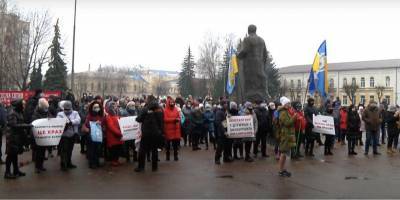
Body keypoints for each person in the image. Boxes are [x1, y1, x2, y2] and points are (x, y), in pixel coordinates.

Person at [135, 95, 164, 172]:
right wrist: (161, 131)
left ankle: (141, 167)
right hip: (156, 132)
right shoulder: (160, 109)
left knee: (142, 150)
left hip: (146, 132)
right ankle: (154, 167)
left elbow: (139, 119)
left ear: (148, 100)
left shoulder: (145, 108)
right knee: (154, 150)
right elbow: (161, 121)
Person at [5, 99, 32, 179]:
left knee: (15, 155)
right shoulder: (12, 113)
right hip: (12, 137)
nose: (24, 106)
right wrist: (26, 125)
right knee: (10, 155)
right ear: (19, 105)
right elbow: (14, 125)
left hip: (17, 137)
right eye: (23, 104)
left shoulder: (19, 112)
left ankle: (16, 171)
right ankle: (7, 173)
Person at [57, 101, 81, 171]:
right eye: (65, 109)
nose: (67, 110)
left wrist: (71, 122)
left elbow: (78, 120)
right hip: (64, 135)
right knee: (64, 150)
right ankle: (63, 164)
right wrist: (65, 122)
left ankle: (69, 163)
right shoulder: (60, 114)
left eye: (68, 109)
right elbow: (58, 121)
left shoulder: (75, 113)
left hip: (72, 134)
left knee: (70, 150)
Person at [277, 97, 297, 177]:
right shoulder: (283, 112)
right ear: (284, 104)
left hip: (287, 135)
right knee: (283, 153)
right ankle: (280, 171)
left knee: (285, 154)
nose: (289, 105)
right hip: (285, 135)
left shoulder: (286, 111)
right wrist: (294, 117)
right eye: (288, 103)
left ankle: (283, 169)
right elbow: (287, 123)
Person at [83, 101, 105, 169]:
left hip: (99, 136)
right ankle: (92, 163)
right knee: (91, 150)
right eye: (95, 107)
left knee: (98, 150)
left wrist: (102, 126)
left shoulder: (101, 116)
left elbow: (104, 125)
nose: (97, 108)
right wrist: (94, 124)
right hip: (91, 136)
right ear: (92, 108)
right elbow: (86, 125)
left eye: (98, 107)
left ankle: (97, 162)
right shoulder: (89, 116)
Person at [31, 98, 50, 173]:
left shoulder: (46, 112)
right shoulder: (35, 114)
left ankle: (41, 166)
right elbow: (34, 123)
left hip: (44, 135)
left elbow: (50, 118)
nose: (46, 109)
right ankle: (37, 167)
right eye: (45, 108)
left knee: (42, 152)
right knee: (38, 152)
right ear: (41, 107)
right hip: (37, 136)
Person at [104, 101, 124, 167]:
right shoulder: (108, 116)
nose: (115, 107)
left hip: (118, 136)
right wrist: (119, 133)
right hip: (113, 136)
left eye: (116, 106)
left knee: (118, 149)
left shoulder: (117, 115)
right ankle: (113, 161)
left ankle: (116, 160)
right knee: (113, 149)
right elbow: (111, 126)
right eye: (114, 106)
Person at [163, 97, 181, 161]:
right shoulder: (165, 110)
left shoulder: (176, 109)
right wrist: (174, 120)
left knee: (175, 145)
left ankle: (175, 156)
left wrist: (178, 119)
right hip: (168, 129)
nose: (172, 103)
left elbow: (179, 117)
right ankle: (167, 156)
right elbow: (165, 119)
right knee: (167, 145)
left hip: (175, 129)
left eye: (173, 103)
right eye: (171, 103)